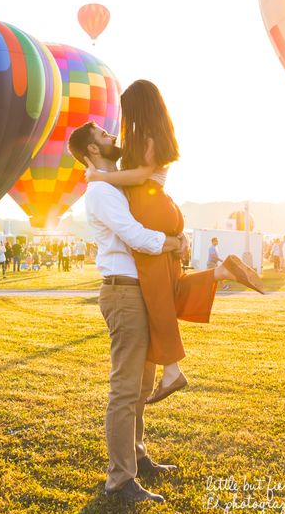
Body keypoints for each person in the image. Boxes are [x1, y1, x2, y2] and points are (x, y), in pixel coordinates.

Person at [76, 81, 264, 404]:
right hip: (164, 206)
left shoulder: (145, 139)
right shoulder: (156, 135)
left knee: (154, 292)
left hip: (151, 207)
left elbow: (138, 178)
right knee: (171, 287)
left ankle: (173, 369)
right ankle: (220, 273)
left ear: (138, 108)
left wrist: (101, 176)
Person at [69, 122, 186, 503]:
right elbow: (134, 235)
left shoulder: (117, 183)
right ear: (91, 150)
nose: (112, 137)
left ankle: (137, 457)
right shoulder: (101, 191)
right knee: (124, 389)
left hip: (142, 290)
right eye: (104, 135)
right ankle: (120, 480)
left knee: (139, 387)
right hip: (124, 291)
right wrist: (172, 242)